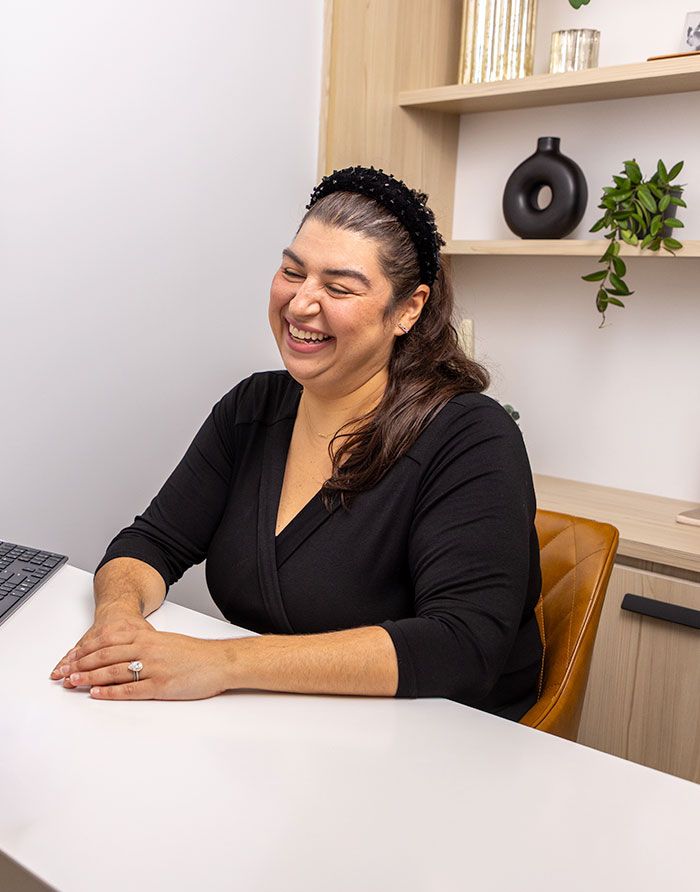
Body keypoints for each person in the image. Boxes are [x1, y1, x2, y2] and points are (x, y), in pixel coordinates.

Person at [50, 165, 543, 720]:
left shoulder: (472, 437)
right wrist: (119, 617)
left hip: (434, 748)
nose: (301, 303)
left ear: (407, 309)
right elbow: (151, 544)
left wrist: (223, 664)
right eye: (292, 271)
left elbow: (462, 645)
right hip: (280, 729)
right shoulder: (254, 408)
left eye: (338, 287)